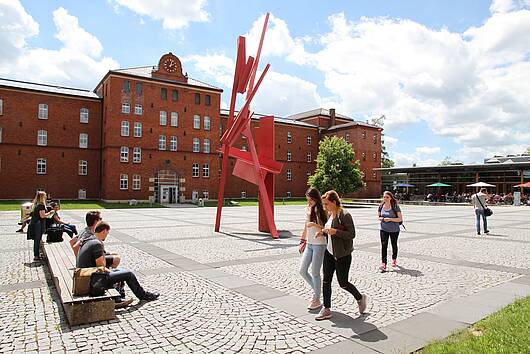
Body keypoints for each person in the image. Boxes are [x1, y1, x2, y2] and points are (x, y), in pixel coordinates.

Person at [76, 221, 159, 304]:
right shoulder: (97, 244)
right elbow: (101, 268)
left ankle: (119, 295)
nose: (107, 235)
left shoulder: (90, 238)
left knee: (120, 271)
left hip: (86, 275)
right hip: (92, 280)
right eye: (107, 233)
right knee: (129, 274)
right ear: (104, 231)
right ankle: (143, 296)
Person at [315, 190, 367, 321]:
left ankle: (360, 298)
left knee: (343, 283)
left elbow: (351, 234)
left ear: (334, 202)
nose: (324, 207)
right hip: (329, 252)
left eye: (326, 204)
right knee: (326, 280)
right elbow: (329, 230)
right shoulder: (330, 215)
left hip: (343, 254)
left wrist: (335, 232)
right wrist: (323, 232)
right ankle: (326, 309)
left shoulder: (345, 215)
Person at [299, 187, 328, 310]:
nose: (309, 202)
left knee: (315, 272)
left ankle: (316, 298)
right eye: (308, 199)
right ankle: (317, 291)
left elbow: (325, 228)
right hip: (310, 244)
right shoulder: (308, 208)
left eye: (311, 200)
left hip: (319, 244)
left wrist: (314, 224)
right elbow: (306, 226)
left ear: (316, 199)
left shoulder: (322, 210)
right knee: (302, 271)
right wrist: (302, 240)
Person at [378, 191, 403, 272]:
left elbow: (400, 219)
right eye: (384, 197)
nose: (385, 198)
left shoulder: (395, 206)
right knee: (384, 245)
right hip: (383, 229)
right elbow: (379, 216)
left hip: (394, 230)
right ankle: (383, 263)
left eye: (387, 197)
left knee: (394, 244)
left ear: (391, 198)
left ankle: (394, 259)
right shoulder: (381, 206)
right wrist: (381, 218)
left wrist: (390, 219)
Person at [26, 191, 55, 261]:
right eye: (45, 196)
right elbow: (42, 216)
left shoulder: (36, 204)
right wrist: (50, 212)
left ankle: (37, 254)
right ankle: (36, 256)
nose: (46, 197)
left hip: (35, 223)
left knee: (37, 240)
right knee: (37, 240)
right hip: (38, 225)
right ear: (42, 197)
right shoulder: (41, 205)